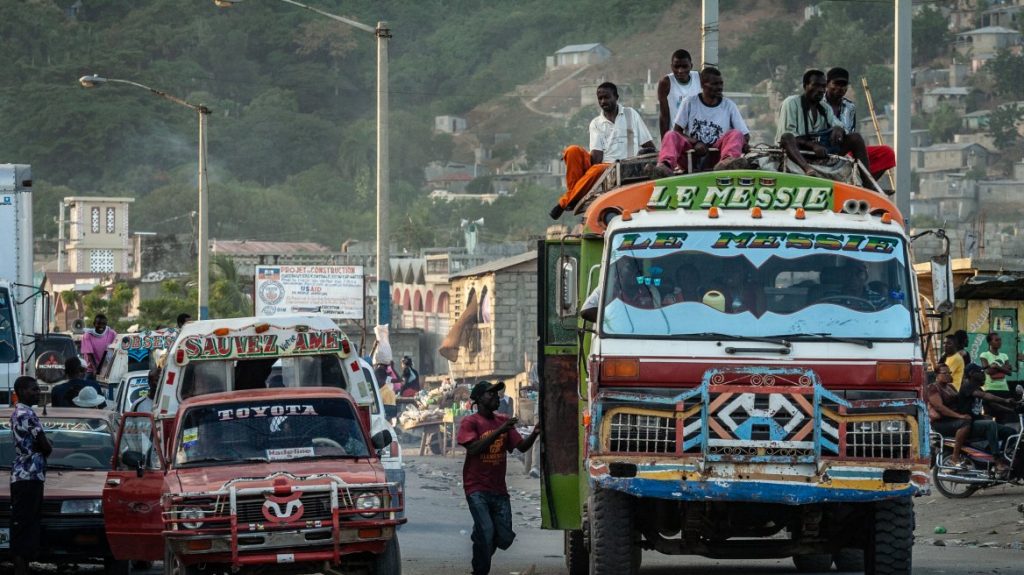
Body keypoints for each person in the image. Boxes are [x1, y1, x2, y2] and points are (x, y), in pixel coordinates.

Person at [457, 381, 540, 575]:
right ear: (478, 400)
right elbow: (474, 448)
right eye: (490, 394)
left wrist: (535, 433)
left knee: (503, 538)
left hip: (498, 490)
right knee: (487, 532)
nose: (496, 397)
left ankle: (479, 538)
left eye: (496, 393)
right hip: (476, 487)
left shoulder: (502, 420)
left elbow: (521, 447)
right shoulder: (471, 422)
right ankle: (480, 571)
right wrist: (499, 431)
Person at [551, 82, 655, 219]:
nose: (603, 101)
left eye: (606, 97)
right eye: (600, 98)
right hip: (602, 165)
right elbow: (596, 158)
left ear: (616, 97)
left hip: (625, 166)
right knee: (572, 151)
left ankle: (566, 201)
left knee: (599, 169)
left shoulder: (631, 114)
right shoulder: (596, 123)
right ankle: (573, 196)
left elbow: (649, 145)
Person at [655, 67, 750, 176]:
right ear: (703, 85)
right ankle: (665, 166)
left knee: (736, 133)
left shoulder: (729, 105)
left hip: (717, 157)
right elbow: (677, 132)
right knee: (670, 135)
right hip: (692, 157)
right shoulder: (689, 102)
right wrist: (695, 142)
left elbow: (745, 135)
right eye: (715, 84)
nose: (719, 88)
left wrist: (743, 143)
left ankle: (727, 163)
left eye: (721, 84)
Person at [776, 69, 870, 178]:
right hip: (798, 152)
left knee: (856, 138)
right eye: (815, 85)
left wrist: (839, 128)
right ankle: (808, 169)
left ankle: (868, 183)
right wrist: (813, 145)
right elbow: (789, 134)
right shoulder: (791, 102)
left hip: (820, 153)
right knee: (787, 137)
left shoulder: (825, 108)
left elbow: (839, 124)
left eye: (823, 86)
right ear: (805, 86)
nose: (820, 90)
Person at [823, 67, 896, 181]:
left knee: (887, 153)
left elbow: (849, 132)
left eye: (844, 85)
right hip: (824, 147)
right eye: (836, 84)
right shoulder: (818, 102)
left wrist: (842, 131)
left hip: (845, 149)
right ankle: (867, 183)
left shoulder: (850, 106)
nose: (840, 88)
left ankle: (867, 185)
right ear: (827, 84)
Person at [10, 376, 52, 575]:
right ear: (22, 391)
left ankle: (23, 563)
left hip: (26, 473)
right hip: (28, 475)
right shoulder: (26, 414)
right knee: (26, 522)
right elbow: (45, 445)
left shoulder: (21, 412)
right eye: (33, 389)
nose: (37, 392)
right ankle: (20, 566)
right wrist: (45, 448)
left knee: (25, 521)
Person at [927, 363, 972, 467]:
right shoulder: (932, 388)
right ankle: (955, 457)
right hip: (942, 422)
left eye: (949, 373)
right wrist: (959, 416)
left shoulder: (950, 386)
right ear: (937, 375)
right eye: (945, 373)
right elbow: (940, 407)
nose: (948, 375)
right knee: (965, 423)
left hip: (952, 419)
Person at [657, 49, 702, 138]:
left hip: (697, 136)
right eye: (676, 66)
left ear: (691, 66)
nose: (680, 70)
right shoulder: (666, 83)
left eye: (684, 66)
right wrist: (665, 141)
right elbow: (664, 116)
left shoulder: (699, 78)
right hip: (677, 136)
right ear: (671, 66)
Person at [80, 314, 117, 379]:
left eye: (103, 324)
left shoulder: (112, 334)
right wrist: (95, 369)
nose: (101, 326)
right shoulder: (87, 335)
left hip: (107, 370)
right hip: (91, 370)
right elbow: (89, 354)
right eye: (99, 323)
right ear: (94, 324)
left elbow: (113, 350)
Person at [980, 332, 1014, 397]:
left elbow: (1009, 373)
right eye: (996, 340)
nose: (999, 342)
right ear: (989, 342)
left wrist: (996, 366)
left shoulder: (1004, 356)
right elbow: (988, 371)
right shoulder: (984, 355)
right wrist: (1004, 368)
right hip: (990, 388)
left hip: (1004, 388)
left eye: (1000, 340)